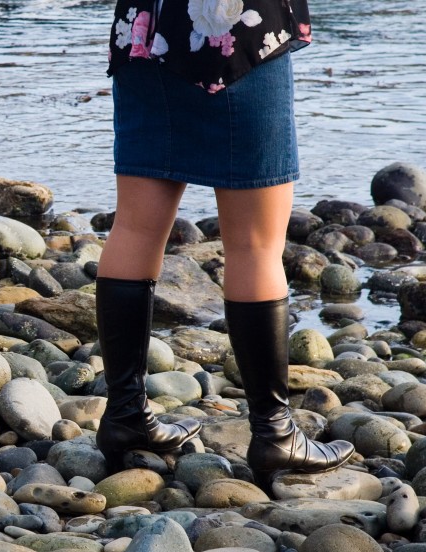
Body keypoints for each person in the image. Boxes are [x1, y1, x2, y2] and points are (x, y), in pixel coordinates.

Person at [95, 0, 355, 492]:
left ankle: (126, 414)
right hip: (239, 36)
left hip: (147, 34)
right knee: (255, 246)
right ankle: (275, 433)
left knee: (134, 229)